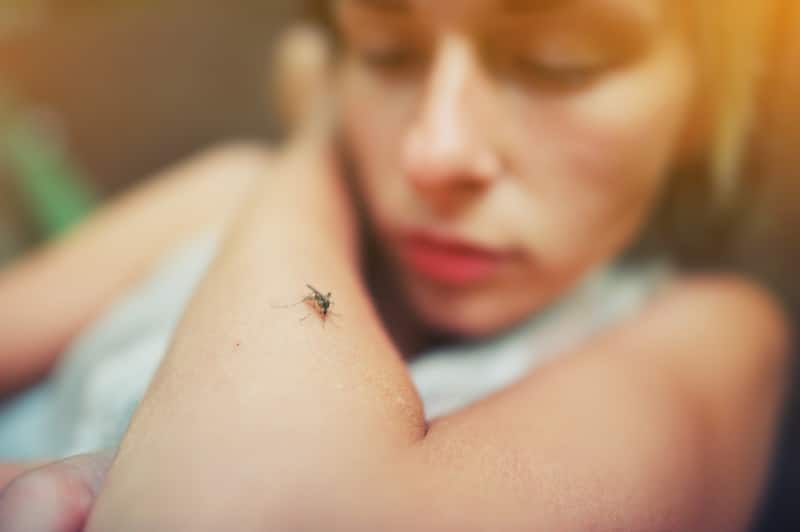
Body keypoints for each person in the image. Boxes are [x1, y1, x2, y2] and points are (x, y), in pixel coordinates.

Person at [0, 0, 790, 530]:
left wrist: (312, 137)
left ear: (705, 97)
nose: (435, 152)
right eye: (384, 53)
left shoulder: (710, 331)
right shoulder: (225, 192)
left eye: (560, 62)